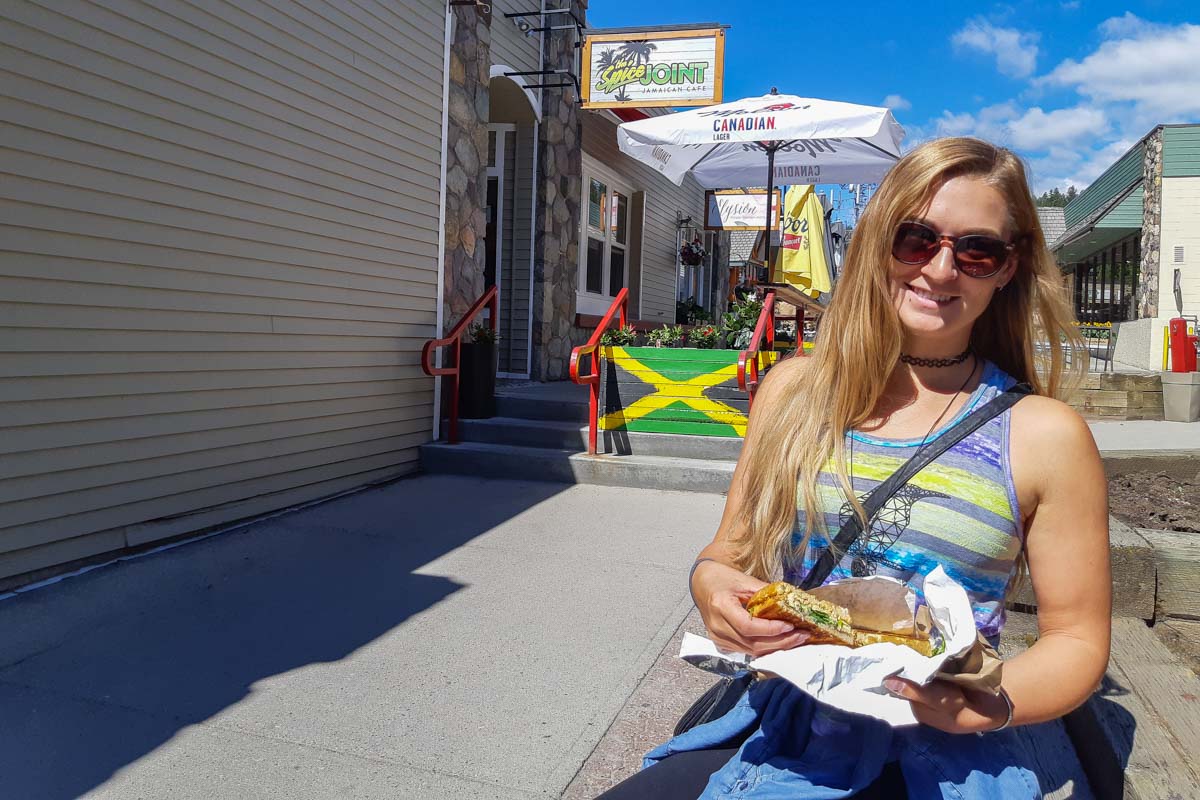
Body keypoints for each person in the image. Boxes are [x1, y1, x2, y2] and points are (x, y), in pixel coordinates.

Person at [598, 137, 1111, 799]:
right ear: (875, 241)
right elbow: (729, 551)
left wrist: (993, 700)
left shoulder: (1044, 434)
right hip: (784, 728)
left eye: (977, 249)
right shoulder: (793, 392)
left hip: (944, 757)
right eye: (915, 238)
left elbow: (1076, 640)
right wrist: (712, 588)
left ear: (1008, 268)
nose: (942, 269)